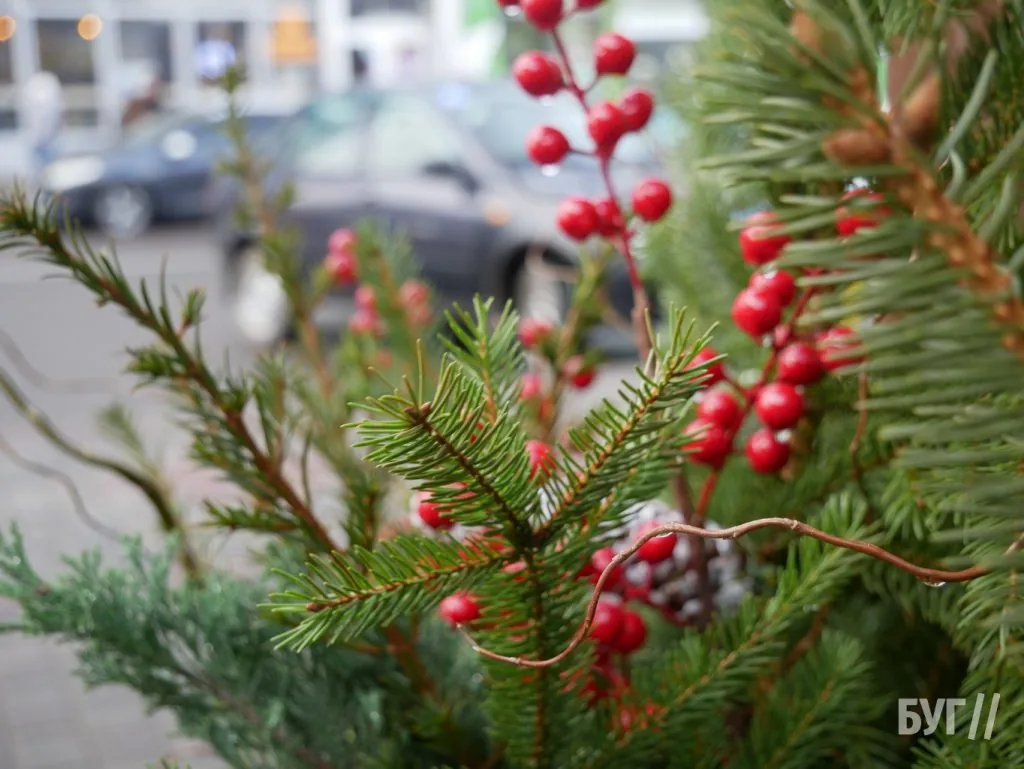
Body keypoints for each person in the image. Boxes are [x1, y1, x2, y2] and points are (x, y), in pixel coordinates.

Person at [22, 71, 64, 176]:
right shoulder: (41, 92)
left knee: (49, 173)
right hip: (39, 141)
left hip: (47, 140)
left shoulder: (44, 93)